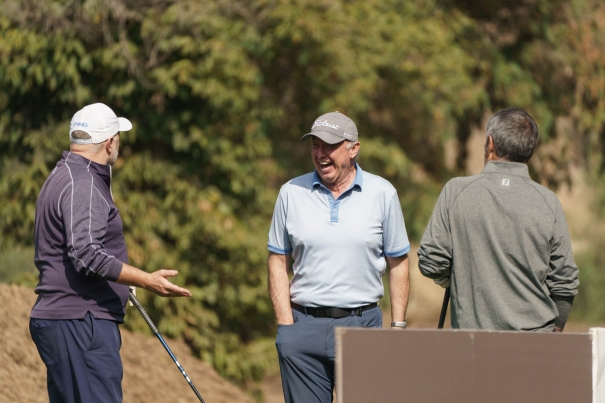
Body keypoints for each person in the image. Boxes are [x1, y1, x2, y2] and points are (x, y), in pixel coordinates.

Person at [30, 103, 192, 403]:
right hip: (82, 323)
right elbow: (85, 254)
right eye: (118, 137)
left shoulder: (62, 175)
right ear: (109, 143)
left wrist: (120, 280)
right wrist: (146, 280)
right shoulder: (84, 183)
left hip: (69, 322)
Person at [267, 111, 411, 403]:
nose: (320, 154)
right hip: (303, 331)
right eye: (315, 145)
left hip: (362, 328)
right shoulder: (291, 192)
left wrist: (397, 327)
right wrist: (286, 327)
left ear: (354, 149)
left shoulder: (383, 193)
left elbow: (398, 264)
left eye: (329, 146)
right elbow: (277, 260)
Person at [418, 107, 579, 332]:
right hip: (536, 340)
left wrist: (459, 278)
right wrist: (556, 330)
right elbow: (564, 280)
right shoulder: (548, 202)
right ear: (530, 151)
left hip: (472, 341)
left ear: (490, 144)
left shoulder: (455, 191)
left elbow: (431, 262)